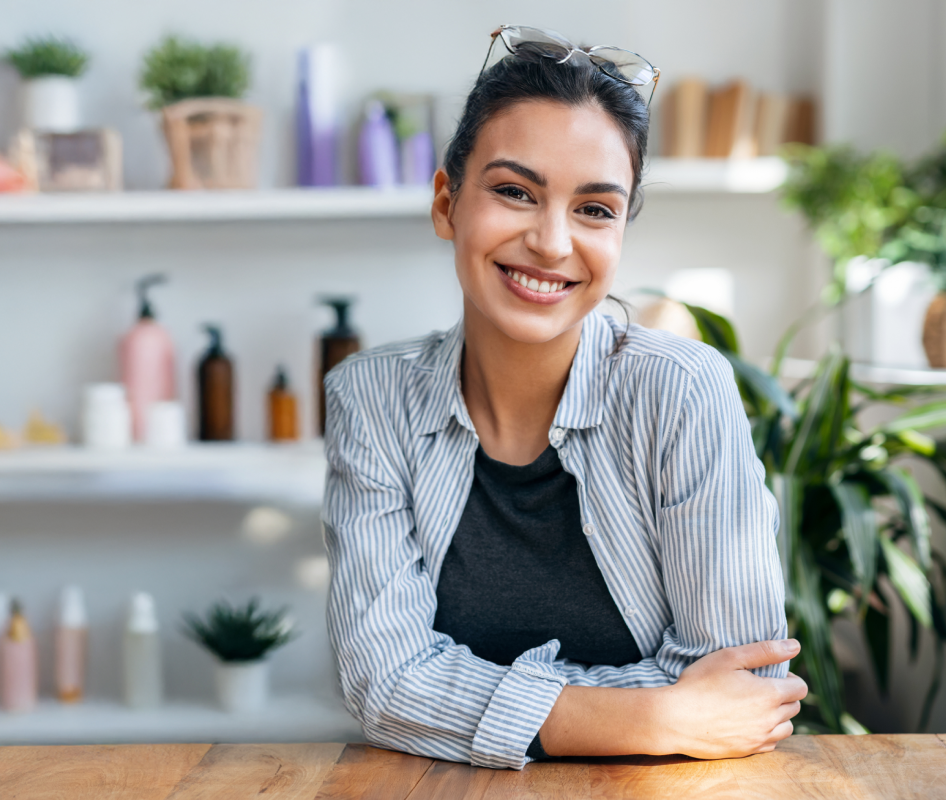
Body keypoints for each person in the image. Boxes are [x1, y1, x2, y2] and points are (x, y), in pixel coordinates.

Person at [324, 25, 807, 770]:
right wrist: (656, 717)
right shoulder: (372, 400)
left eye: (594, 209)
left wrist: (465, 700)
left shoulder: (680, 392)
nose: (552, 243)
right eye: (515, 192)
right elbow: (382, 681)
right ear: (448, 203)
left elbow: (744, 683)